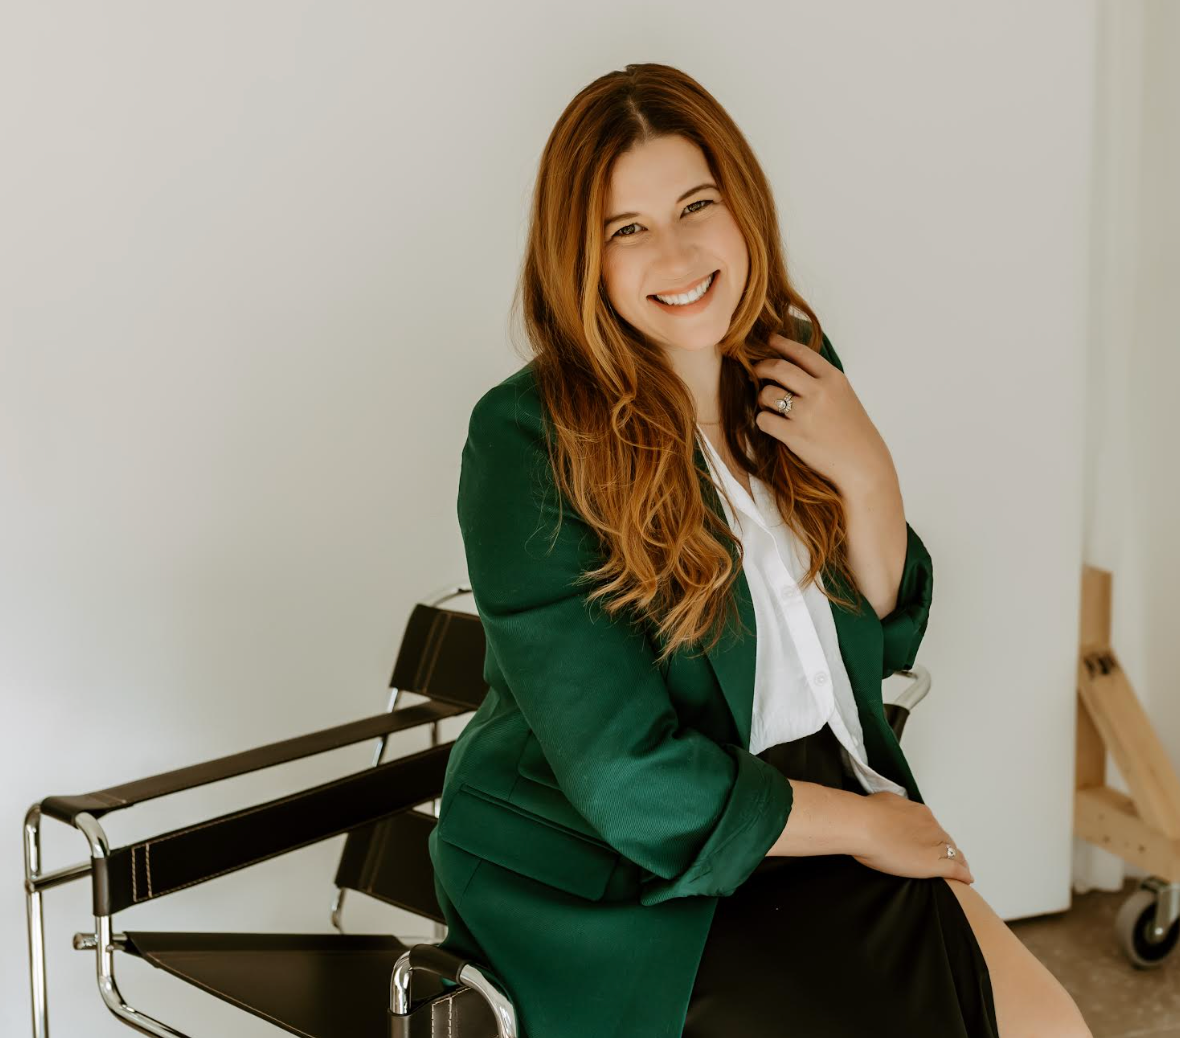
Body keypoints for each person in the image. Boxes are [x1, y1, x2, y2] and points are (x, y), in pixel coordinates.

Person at [427, 62, 1092, 1038]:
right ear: (582, 257)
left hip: (810, 802)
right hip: (616, 866)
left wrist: (867, 472)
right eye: (628, 229)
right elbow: (623, 777)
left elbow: (877, 643)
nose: (678, 250)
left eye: (696, 204)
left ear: (741, 207)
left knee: (1052, 1029)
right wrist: (870, 826)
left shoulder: (786, 363)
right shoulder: (527, 440)